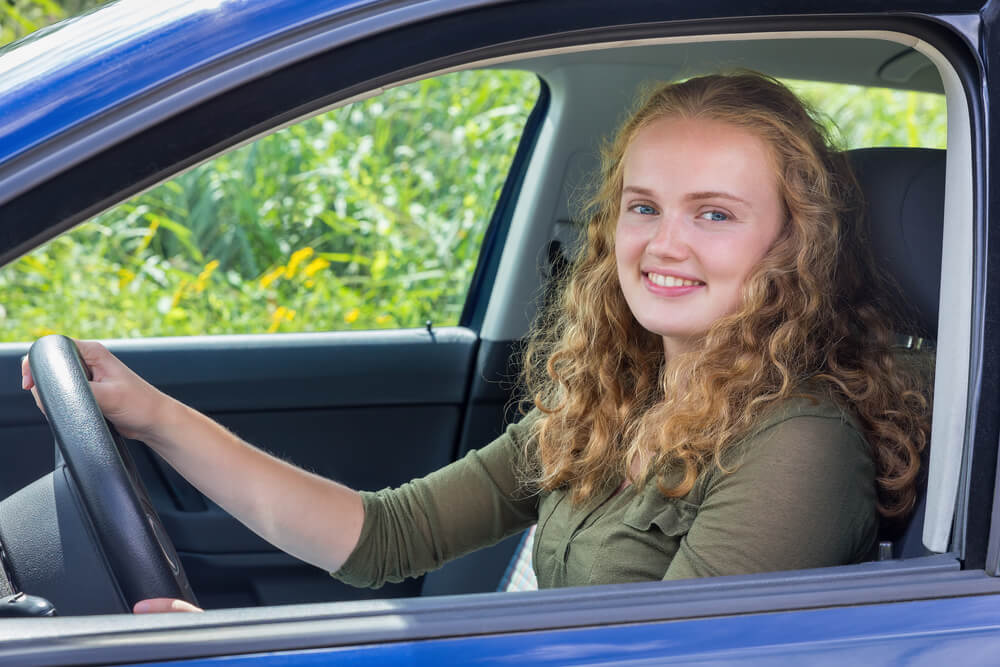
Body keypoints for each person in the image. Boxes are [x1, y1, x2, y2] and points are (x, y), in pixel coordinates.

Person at [21, 72, 930, 613]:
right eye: (643, 206)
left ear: (791, 244)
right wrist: (155, 417)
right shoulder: (622, 394)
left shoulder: (799, 445)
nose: (664, 244)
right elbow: (384, 535)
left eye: (716, 215)